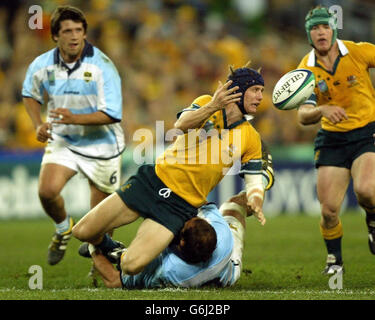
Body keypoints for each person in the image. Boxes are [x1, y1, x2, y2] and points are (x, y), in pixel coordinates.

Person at [72, 64, 273, 277]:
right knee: (82, 231)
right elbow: (181, 124)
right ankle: (106, 245)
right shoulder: (207, 103)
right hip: (153, 182)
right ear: (237, 91)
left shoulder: (251, 137)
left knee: (131, 266)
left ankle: (116, 252)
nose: (261, 97)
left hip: (180, 206)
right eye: (255, 90)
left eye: (261, 90)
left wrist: (256, 199)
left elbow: (254, 179)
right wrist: (213, 105)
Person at [22, 6, 125, 265]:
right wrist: (37, 124)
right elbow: (29, 95)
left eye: (79, 30)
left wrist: (74, 118)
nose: (74, 36)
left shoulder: (103, 65)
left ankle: (99, 259)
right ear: (55, 36)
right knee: (47, 191)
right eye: (67, 30)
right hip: (64, 140)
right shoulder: (42, 64)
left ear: (85, 33)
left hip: (102, 144)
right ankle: (62, 228)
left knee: (100, 215)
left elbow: (113, 114)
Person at [297, 5, 375, 274]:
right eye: (315, 28)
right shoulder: (305, 70)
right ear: (309, 35)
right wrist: (321, 109)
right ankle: (335, 263)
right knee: (329, 210)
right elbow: (303, 115)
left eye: (325, 27)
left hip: (367, 132)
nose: (321, 32)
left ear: (334, 30)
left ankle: (373, 221)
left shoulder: (357, 51)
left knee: (367, 190)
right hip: (331, 139)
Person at [81, 191, 260, 289]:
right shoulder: (222, 234)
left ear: (181, 243)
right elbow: (198, 199)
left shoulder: (168, 270)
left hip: (211, 273)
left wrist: (93, 246)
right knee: (239, 201)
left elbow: (113, 280)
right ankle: (264, 180)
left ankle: (116, 252)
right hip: (227, 266)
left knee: (136, 257)